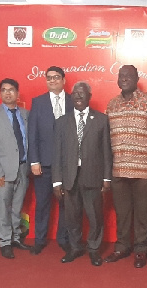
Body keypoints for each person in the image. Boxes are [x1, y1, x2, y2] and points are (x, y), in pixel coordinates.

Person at [104, 65, 147, 268]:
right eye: (121, 76)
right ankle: (122, 247)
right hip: (118, 170)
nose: (124, 79)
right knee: (122, 213)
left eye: (129, 76)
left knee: (142, 213)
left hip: (143, 169)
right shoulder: (112, 105)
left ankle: (141, 249)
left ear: (137, 78)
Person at [52, 81, 112, 266]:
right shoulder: (62, 121)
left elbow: (106, 151)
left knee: (94, 216)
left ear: (89, 96)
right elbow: (57, 153)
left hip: (93, 177)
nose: (78, 96)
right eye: (75, 93)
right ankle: (75, 247)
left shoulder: (101, 120)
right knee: (72, 216)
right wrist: (56, 181)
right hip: (70, 178)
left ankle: (94, 249)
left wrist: (107, 177)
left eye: (82, 93)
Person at [0, 78, 32, 259]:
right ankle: (4, 241)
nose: (8, 93)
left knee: (17, 207)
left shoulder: (26, 114)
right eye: (4, 90)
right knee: (3, 208)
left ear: (17, 93)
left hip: (23, 168)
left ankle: (15, 237)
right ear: (0, 93)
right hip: (3, 171)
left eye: (11, 90)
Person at [28, 66, 72, 255]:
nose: (52, 80)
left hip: (67, 164)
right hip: (44, 164)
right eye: (49, 78)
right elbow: (32, 134)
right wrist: (34, 161)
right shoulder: (38, 102)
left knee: (66, 204)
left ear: (63, 80)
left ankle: (63, 238)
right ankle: (39, 239)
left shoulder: (73, 101)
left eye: (56, 77)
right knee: (43, 203)